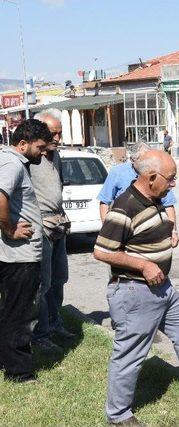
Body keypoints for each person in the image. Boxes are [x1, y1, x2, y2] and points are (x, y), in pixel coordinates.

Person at [94, 150, 179, 425]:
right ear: (151, 177)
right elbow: (102, 251)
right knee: (130, 352)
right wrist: (143, 265)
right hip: (135, 291)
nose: (174, 183)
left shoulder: (153, 199)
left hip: (162, 288)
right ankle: (118, 415)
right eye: (171, 178)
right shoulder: (125, 206)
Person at [0, 119, 49, 383]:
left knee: (9, 310)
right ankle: (18, 372)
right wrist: (10, 230)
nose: (43, 152)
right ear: (22, 144)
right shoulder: (12, 164)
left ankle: (6, 359)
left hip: (16, 255)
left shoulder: (9, 162)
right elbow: (0, 197)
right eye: (40, 147)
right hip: (20, 256)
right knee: (20, 313)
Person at [31, 109, 75, 353]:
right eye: (53, 133)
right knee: (43, 284)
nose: (57, 138)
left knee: (59, 279)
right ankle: (40, 334)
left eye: (59, 132)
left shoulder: (55, 155)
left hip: (58, 225)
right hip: (41, 228)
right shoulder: (29, 158)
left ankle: (55, 323)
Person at [97, 142, 179, 248]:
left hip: (154, 234)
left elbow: (168, 204)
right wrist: (110, 232)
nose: (147, 163)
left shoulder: (158, 174)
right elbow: (104, 202)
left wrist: (173, 230)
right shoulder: (117, 173)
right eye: (143, 159)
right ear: (132, 160)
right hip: (128, 234)